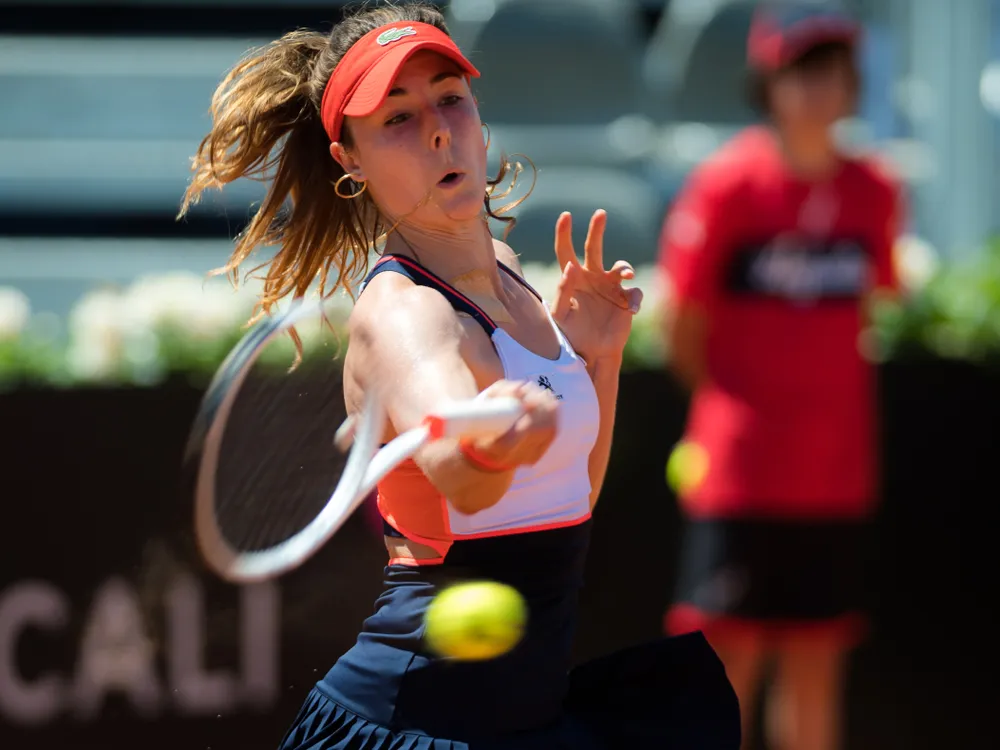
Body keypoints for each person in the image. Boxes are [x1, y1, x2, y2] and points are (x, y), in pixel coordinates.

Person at [179, 2, 739, 748]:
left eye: (450, 97)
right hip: (415, 725)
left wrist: (597, 355)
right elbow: (463, 475)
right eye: (397, 118)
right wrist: (493, 436)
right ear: (350, 160)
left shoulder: (508, 274)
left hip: (523, 716)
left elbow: (571, 497)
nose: (440, 129)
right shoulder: (404, 315)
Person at [657, 3, 905, 750]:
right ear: (768, 80)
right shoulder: (725, 185)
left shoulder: (876, 191)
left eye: (833, 69)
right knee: (727, 668)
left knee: (817, 669)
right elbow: (682, 328)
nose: (819, 86)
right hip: (739, 473)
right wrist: (737, 414)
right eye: (801, 68)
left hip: (835, 473)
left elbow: (868, 310)